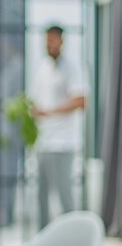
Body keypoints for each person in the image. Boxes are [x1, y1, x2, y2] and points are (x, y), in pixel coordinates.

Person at [30, 25, 87, 229]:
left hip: (63, 143)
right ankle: (43, 243)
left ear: (62, 42)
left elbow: (81, 100)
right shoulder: (42, 68)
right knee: (41, 197)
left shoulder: (71, 68)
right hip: (43, 142)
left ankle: (71, 241)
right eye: (47, 41)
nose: (50, 45)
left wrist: (50, 112)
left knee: (64, 196)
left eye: (54, 40)